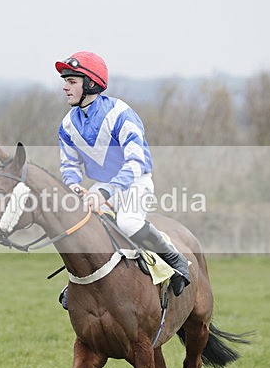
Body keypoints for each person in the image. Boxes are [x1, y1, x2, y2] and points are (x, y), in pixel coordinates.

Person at [55, 51, 191, 306]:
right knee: (77, 227)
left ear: (90, 83)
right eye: (65, 81)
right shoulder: (67, 125)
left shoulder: (120, 113)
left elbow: (136, 161)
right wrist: (74, 186)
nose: (65, 87)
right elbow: (70, 164)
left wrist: (106, 192)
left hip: (134, 183)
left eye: (71, 81)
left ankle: (175, 259)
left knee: (128, 224)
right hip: (99, 188)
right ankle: (76, 280)